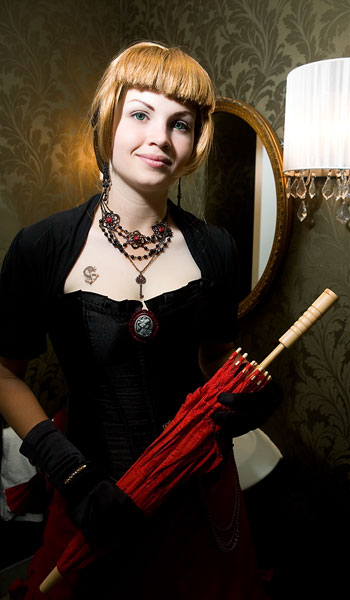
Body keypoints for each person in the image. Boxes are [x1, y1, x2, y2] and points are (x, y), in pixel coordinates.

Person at [0, 42, 282, 599]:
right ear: (109, 119)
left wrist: (250, 393)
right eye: (140, 114)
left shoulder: (217, 247)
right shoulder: (42, 246)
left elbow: (214, 358)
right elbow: (5, 373)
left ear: (195, 141)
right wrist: (69, 471)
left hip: (197, 491)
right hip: (90, 493)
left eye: (181, 124)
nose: (160, 137)